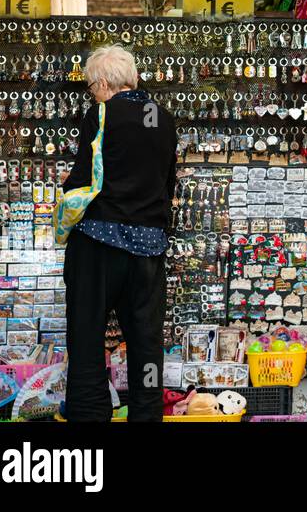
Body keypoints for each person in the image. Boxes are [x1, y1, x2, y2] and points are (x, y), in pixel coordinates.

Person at [62, 46, 176, 422]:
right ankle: (147, 412)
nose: (92, 93)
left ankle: (90, 412)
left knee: (88, 333)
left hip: (99, 242)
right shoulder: (163, 118)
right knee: (146, 339)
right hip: (148, 247)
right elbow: (166, 182)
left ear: (105, 83)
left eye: (92, 86)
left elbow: (83, 178)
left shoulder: (102, 113)